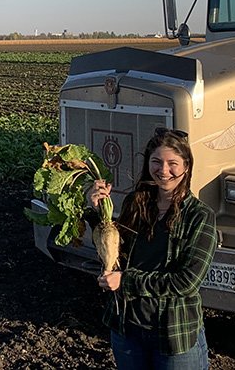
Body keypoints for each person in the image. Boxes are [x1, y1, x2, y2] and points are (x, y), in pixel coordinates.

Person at [87, 127, 217, 369]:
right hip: (128, 329)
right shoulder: (135, 203)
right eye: (156, 162)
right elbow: (116, 251)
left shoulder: (199, 216)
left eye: (173, 163)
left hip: (173, 335)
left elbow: (186, 282)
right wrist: (98, 213)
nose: (164, 170)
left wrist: (125, 281)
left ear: (186, 166)